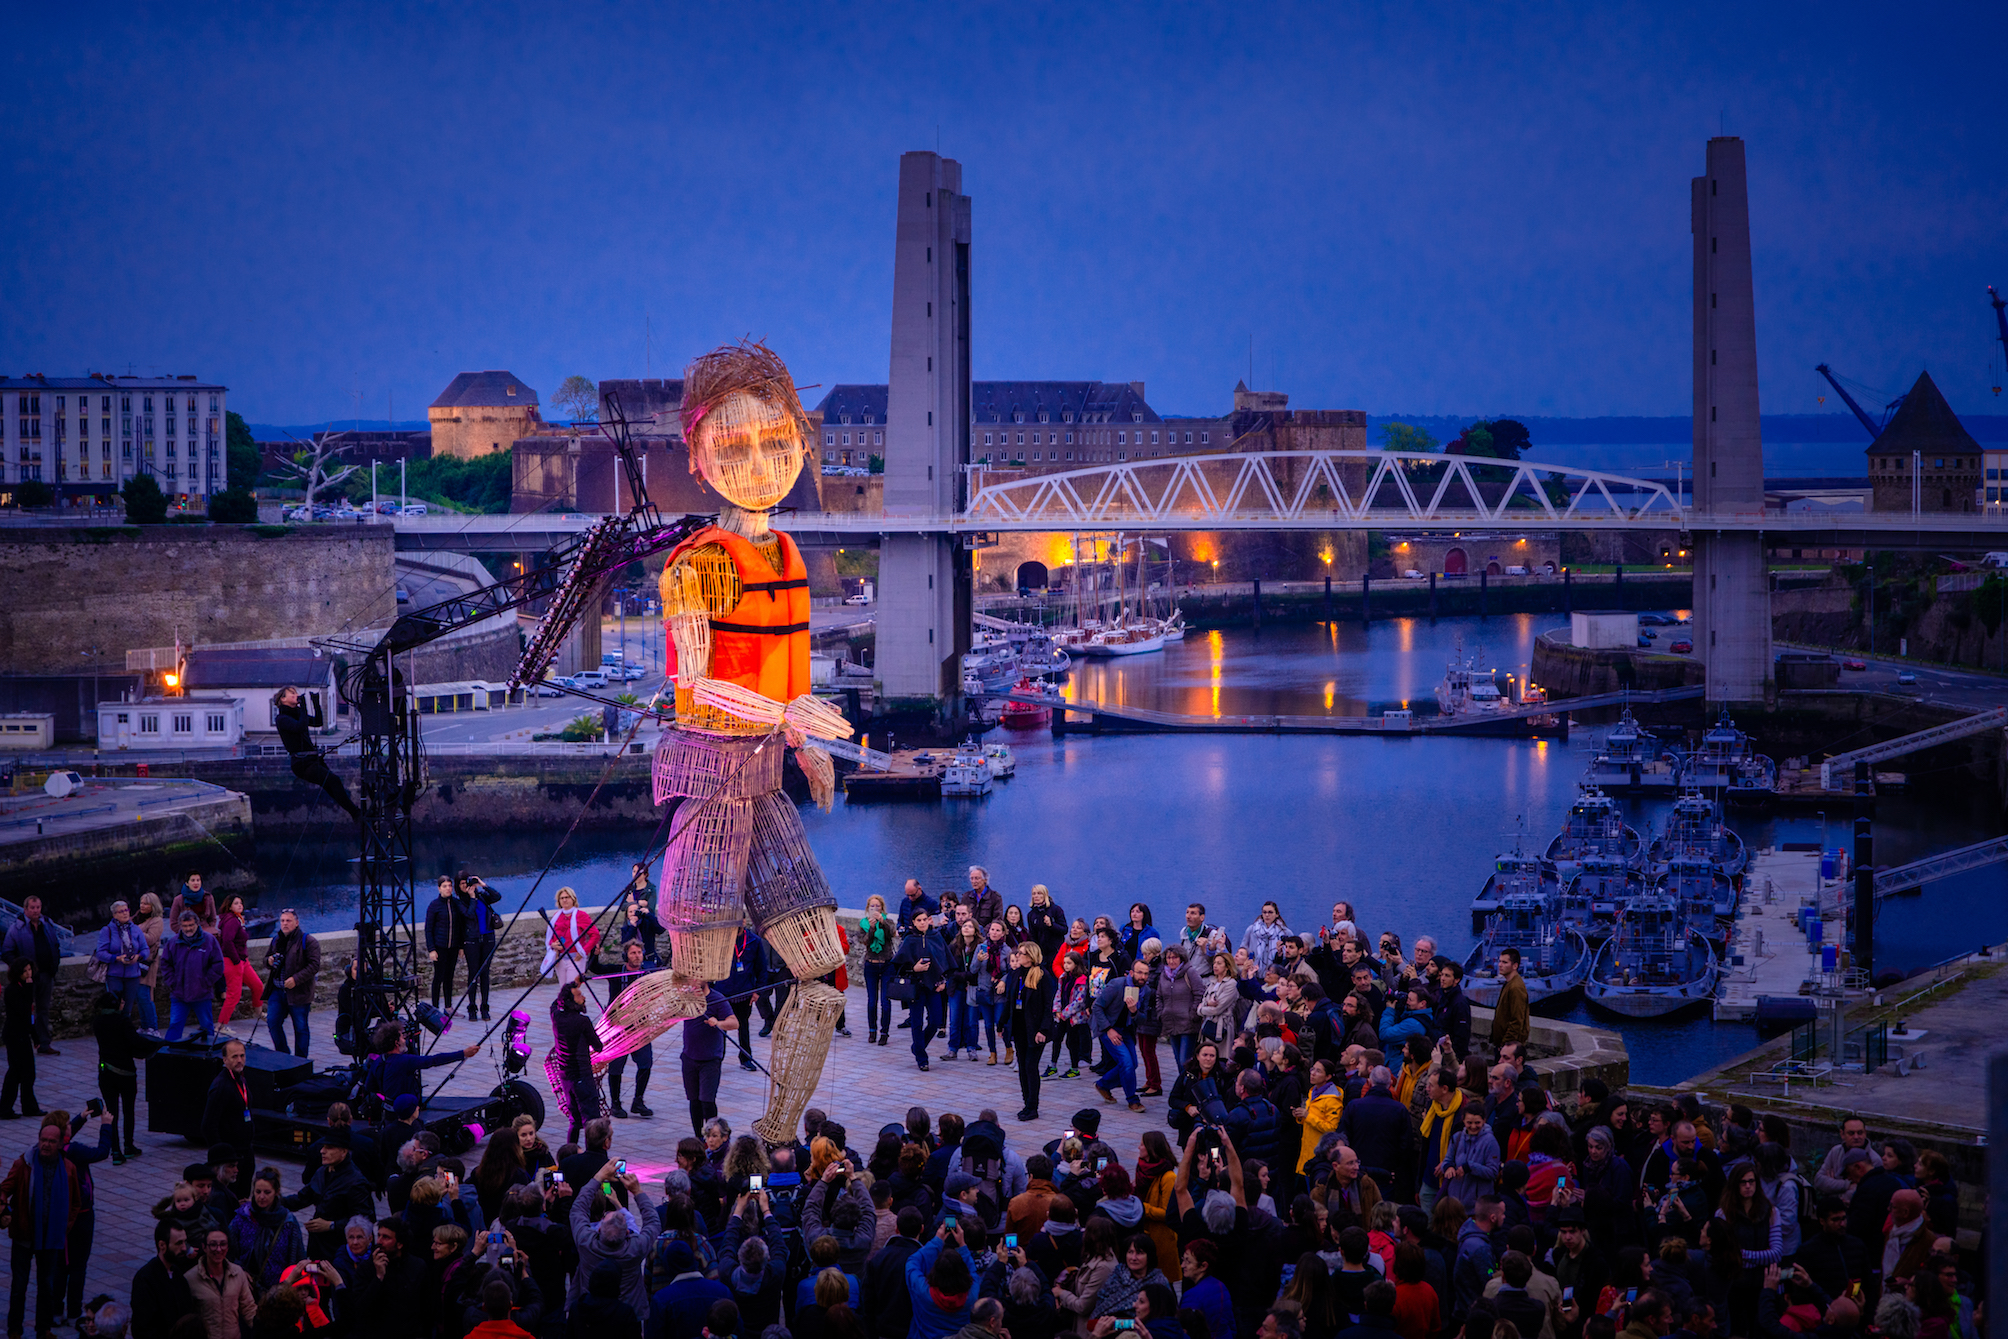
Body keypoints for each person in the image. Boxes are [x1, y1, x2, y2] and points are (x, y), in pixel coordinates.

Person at [4, 1113, 110, 1338]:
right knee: (19, 1286)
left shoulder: (68, 1168)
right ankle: (14, 1330)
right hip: (24, 1235)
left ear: (60, 1143)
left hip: (51, 1238)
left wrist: (65, 1227)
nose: (46, 1144)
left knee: (47, 1286)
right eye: (43, 1139)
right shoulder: (24, 1164)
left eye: (52, 1141)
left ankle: (44, 1329)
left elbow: (74, 1202)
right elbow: (4, 1190)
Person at [91, 987, 160, 1160]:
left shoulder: (97, 1022)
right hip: (126, 1073)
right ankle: (128, 1145)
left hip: (105, 1072)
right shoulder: (123, 1021)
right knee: (128, 1110)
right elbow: (135, 1041)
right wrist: (156, 1044)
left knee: (111, 1112)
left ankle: (115, 1151)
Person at [273, 685, 360, 818]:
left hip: (311, 759)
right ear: (283, 699)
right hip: (302, 763)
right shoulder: (282, 719)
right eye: (292, 693)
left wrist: (315, 702)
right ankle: (355, 812)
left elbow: (318, 722)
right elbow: (300, 727)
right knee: (334, 780)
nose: (296, 695)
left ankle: (355, 813)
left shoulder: (297, 713)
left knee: (330, 785)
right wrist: (303, 706)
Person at [603, 942, 657, 1119]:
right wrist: (594, 954)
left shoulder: (647, 973)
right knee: (616, 1066)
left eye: (639, 952)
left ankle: (638, 1101)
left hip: (640, 1026)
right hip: (619, 1027)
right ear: (626, 956)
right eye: (633, 953)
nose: (637, 956)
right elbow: (594, 968)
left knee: (645, 1063)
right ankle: (616, 1104)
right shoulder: (616, 971)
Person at [1005, 942, 1056, 1121]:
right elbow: (1010, 1000)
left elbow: (1049, 1005)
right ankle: (1026, 1102)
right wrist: (1002, 1023)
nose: (1018, 956)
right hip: (1019, 1027)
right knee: (1022, 1067)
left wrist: (1043, 1029)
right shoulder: (1016, 974)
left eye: (1022, 953)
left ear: (1031, 956)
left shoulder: (1042, 976)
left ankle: (1033, 1106)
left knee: (1030, 1066)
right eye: (1018, 953)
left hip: (1035, 1029)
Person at [1092, 960, 1152, 1113]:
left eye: (1146, 973)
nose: (1142, 976)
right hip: (1109, 1028)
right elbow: (1097, 1007)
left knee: (1133, 1064)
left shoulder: (1146, 991)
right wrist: (1108, 1029)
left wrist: (1134, 1011)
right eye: (1139, 972)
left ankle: (1103, 1084)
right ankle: (1133, 1100)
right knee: (1126, 1062)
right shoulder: (1117, 985)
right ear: (1131, 973)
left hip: (1126, 1031)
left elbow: (1143, 1019)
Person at [895, 909, 949, 1072]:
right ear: (913, 922)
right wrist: (914, 968)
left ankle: (918, 1047)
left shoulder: (936, 937)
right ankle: (922, 1058)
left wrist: (943, 980)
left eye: (925, 919)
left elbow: (945, 960)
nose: (922, 923)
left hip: (933, 986)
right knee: (917, 1022)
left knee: (935, 1020)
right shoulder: (909, 940)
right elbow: (899, 965)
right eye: (919, 920)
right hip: (915, 987)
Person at [160, 909, 227, 1043]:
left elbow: (218, 964)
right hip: (179, 994)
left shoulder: (209, 941)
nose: (188, 929)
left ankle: (209, 1055)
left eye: (191, 925)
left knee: (207, 1027)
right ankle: (168, 1052)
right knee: (174, 1025)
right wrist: (173, 982)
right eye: (185, 926)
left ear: (197, 924)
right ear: (180, 926)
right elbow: (165, 964)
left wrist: (206, 982)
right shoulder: (173, 943)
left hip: (202, 994)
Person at [551, 981, 604, 1144]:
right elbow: (598, 1046)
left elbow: (554, 1003)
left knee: (575, 1121)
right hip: (582, 1077)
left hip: (566, 1078)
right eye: (579, 995)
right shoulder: (582, 1021)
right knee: (592, 1122)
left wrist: (571, 984)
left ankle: (570, 1151)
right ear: (570, 1000)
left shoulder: (556, 1016)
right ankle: (594, 1156)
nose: (583, 997)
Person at [183, 1224, 258, 1339]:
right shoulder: (190, 1279)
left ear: (227, 1247)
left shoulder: (238, 1273)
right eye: (213, 1245)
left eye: (223, 1244)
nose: (218, 1249)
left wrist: (263, 1330)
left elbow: (249, 1309)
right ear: (204, 1247)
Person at [263, 909, 321, 1057]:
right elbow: (266, 959)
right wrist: (269, 961)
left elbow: (314, 966)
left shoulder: (308, 941)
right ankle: (283, 1056)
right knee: (272, 1022)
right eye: (282, 921)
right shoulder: (276, 940)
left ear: (296, 923)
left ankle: (301, 1062)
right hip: (277, 990)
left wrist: (296, 979)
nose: (285, 924)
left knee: (300, 1029)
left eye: (288, 921)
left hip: (299, 993)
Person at [681, 985, 736, 1138]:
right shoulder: (687, 997)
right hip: (689, 1057)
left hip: (710, 1060)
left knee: (707, 1100)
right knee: (694, 1100)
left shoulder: (717, 999)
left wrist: (718, 1023)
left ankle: (713, 1136)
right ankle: (698, 1137)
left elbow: (734, 1022)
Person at [94, 900, 156, 1028]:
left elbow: (145, 949)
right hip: (114, 975)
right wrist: (116, 958)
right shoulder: (107, 931)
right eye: (121, 911)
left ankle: (125, 1034)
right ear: (114, 915)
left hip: (133, 974)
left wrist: (138, 957)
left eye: (126, 910)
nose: (125, 913)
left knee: (127, 1008)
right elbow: (100, 953)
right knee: (115, 1006)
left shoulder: (135, 929)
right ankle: (115, 1034)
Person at [131, 1221, 198, 1339]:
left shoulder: (178, 1276)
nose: (184, 1248)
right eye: (178, 1243)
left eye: (185, 1242)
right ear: (162, 1245)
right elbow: (143, 1328)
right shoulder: (145, 1279)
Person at [212, 896, 263, 1031]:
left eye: (241, 903)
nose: (240, 905)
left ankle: (258, 1013)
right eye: (236, 903)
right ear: (229, 906)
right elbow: (227, 943)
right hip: (233, 961)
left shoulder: (237, 919)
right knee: (234, 995)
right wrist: (236, 960)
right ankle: (221, 1025)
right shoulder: (231, 921)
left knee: (257, 985)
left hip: (242, 960)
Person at [457, 872, 503, 1020]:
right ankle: (472, 1008)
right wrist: (471, 898)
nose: (467, 886)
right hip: (472, 940)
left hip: (488, 938)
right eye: (463, 884)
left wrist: (483, 884)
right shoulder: (459, 902)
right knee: (473, 974)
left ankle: (485, 1007)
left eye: (468, 883)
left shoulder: (482, 897)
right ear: (458, 886)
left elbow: (497, 897)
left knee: (485, 974)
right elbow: (469, 915)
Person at [857, 895, 900, 1048]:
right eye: (872, 906)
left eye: (878, 906)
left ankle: (884, 1033)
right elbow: (865, 942)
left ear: (882, 908)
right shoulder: (863, 924)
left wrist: (882, 923)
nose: (875, 909)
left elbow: (891, 934)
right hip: (871, 964)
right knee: (871, 1001)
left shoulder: (888, 922)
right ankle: (872, 1030)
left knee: (885, 1001)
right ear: (868, 908)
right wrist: (872, 928)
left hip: (887, 963)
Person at [1, 962, 41, 1117]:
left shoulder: (24, 988)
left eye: (30, 970)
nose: (29, 974)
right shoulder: (13, 990)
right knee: (18, 1072)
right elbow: (23, 1010)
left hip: (22, 1033)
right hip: (15, 1035)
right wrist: (30, 990)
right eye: (25, 971)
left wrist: (35, 1036)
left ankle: (27, 1107)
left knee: (24, 1073)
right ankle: (7, 1108)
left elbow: (29, 1017)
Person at [425, 875, 467, 1012]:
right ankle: (435, 1008)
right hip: (439, 946)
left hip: (453, 946)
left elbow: (460, 927)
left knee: (449, 977)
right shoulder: (434, 905)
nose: (448, 889)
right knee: (439, 977)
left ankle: (448, 1007)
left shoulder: (456, 903)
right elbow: (428, 928)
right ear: (439, 889)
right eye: (444, 886)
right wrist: (431, 949)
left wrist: (461, 946)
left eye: (449, 886)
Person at [546, 887, 599, 988]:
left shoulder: (581, 916)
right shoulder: (556, 916)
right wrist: (553, 944)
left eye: (567, 897)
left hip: (575, 958)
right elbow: (551, 936)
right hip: (559, 958)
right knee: (563, 989)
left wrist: (584, 951)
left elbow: (595, 935)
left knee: (573, 989)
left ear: (573, 899)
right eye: (562, 898)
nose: (565, 900)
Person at [1489, 951, 1529, 1051]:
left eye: (1504, 962)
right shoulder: (1510, 983)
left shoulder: (1516, 987)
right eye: (1500, 961)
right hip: (1504, 1043)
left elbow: (1517, 1020)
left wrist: (1505, 1045)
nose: (1500, 965)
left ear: (1515, 966)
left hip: (1508, 1047)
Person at [1240, 902, 1291, 971]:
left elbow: (1290, 952)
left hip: (1275, 972)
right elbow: (1243, 948)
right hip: (1253, 970)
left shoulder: (1284, 932)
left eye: (1270, 912)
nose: (1267, 915)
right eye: (1264, 912)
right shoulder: (1252, 930)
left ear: (1277, 914)